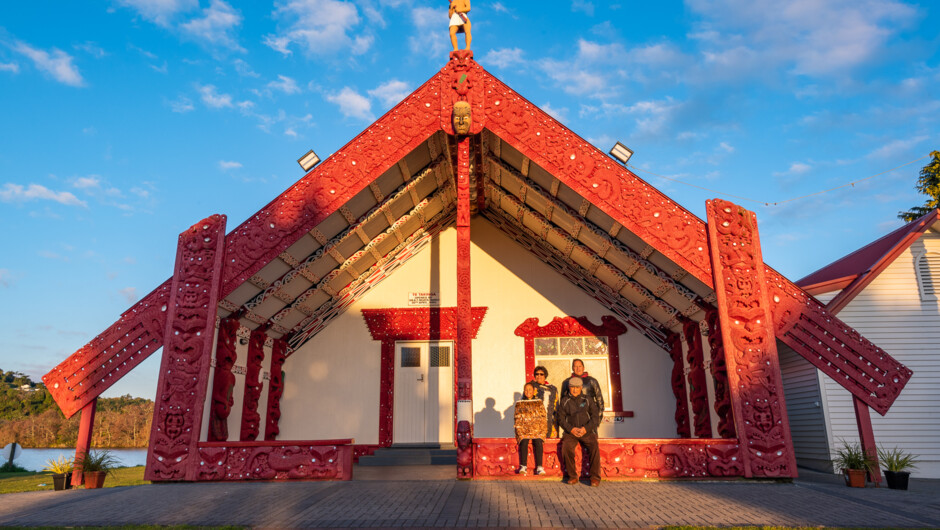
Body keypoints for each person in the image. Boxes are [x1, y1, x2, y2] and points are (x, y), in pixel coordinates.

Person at [557, 377, 601, 486]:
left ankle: (595, 478)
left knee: (594, 446)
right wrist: (571, 429)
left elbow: (595, 417)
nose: (575, 389)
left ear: (581, 387)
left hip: (587, 431)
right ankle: (572, 476)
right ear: (569, 387)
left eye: (577, 387)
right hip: (571, 432)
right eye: (572, 387)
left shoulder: (588, 399)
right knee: (566, 447)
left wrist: (586, 428)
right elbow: (560, 419)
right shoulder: (564, 401)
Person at [514, 382, 547, 475]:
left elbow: (543, 417)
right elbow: (517, 418)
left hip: (537, 429)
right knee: (524, 441)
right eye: (526, 390)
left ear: (533, 391)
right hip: (524, 429)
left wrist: (541, 430)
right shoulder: (520, 404)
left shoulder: (538, 402)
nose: (528, 391)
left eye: (530, 389)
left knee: (538, 441)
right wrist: (520, 430)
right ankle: (523, 466)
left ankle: (539, 467)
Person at [527, 365, 558, 438]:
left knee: (549, 440)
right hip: (535, 420)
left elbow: (556, 405)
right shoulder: (530, 387)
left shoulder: (552, 389)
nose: (539, 376)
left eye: (541, 374)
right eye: (537, 374)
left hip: (549, 419)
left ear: (545, 376)